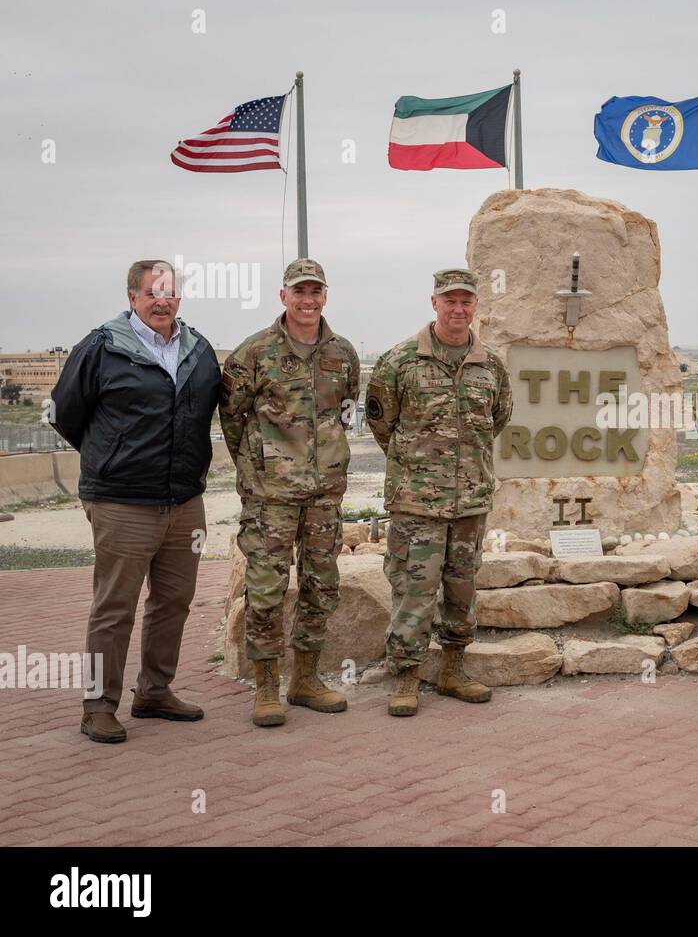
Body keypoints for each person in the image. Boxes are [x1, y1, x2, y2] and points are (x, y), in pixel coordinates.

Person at [51, 259, 220, 743]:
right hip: (122, 502)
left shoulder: (198, 349)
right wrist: (113, 456)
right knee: (115, 606)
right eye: (152, 293)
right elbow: (65, 414)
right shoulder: (101, 348)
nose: (162, 301)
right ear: (132, 297)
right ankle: (98, 705)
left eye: (170, 292)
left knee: (174, 601)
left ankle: (154, 690)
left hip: (185, 501)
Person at [366, 268, 513, 716]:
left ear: (475, 307)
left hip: (470, 501)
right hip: (416, 502)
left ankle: (453, 669)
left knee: (461, 589)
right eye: (450, 300)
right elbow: (381, 422)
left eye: (466, 301)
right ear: (434, 303)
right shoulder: (401, 361)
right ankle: (406, 676)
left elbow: (499, 419)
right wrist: (418, 464)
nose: (458, 309)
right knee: (414, 590)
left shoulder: (490, 366)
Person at [219, 259, 359, 727]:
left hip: (324, 494)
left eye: (316, 291)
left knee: (322, 584)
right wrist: (259, 468)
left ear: (325, 296)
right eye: (299, 291)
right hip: (270, 496)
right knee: (266, 589)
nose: (308, 300)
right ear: (283, 297)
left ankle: (305, 679)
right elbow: (233, 418)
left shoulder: (342, 353)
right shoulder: (253, 353)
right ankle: (265, 686)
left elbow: (345, 410)